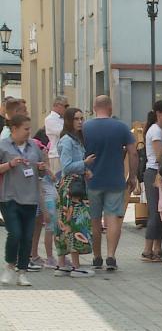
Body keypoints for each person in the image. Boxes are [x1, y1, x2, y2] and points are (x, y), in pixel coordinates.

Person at [83, 95, 137, 271]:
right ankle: (111, 256)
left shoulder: (85, 127)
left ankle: (96, 256)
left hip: (91, 179)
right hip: (115, 180)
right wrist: (133, 176)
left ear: (94, 107)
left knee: (95, 220)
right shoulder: (121, 127)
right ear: (110, 108)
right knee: (113, 218)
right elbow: (133, 153)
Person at [0, 115, 47, 286]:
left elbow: (42, 166)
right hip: (9, 197)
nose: (28, 132)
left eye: (29, 128)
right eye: (25, 129)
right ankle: (9, 266)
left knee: (27, 237)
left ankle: (22, 271)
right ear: (14, 129)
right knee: (15, 233)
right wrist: (10, 164)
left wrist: (42, 168)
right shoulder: (3, 145)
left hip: (30, 197)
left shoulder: (34, 146)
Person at [54, 108, 96, 277]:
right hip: (71, 189)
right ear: (69, 121)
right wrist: (84, 163)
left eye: (81, 118)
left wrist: (85, 170)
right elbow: (67, 166)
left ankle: (63, 264)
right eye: (76, 119)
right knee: (74, 223)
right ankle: (75, 266)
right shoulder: (67, 141)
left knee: (67, 223)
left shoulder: (76, 140)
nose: (80, 121)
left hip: (75, 185)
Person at [142, 100, 162, 262]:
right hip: (154, 172)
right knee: (155, 211)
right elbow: (160, 155)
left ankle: (157, 248)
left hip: (158, 172)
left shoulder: (161, 130)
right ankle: (147, 250)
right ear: (158, 113)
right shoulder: (155, 131)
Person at [29, 130, 57, 270]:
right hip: (43, 203)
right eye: (45, 150)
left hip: (42, 202)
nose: (47, 153)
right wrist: (47, 169)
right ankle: (46, 256)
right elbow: (52, 179)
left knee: (38, 227)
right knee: (42, 227)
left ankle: (34, 255)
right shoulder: (41, 168)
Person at [43, 96, 69, 176]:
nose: (67, 109)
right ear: (58, 105)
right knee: (58, 179)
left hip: (64, 153)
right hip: (56, 154)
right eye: (66, 106)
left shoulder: (63, 119)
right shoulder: (50, 119)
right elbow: (63, 133)